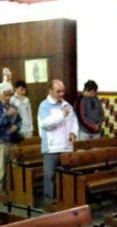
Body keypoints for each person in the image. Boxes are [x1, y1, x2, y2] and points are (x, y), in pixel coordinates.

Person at [37, 79, 78, 209]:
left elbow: (74, 121)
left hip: (66, 146)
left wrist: (73, 133)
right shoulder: (44, 105)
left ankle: (64, 199)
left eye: (63, 91)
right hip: (51, 147)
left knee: (66, 175)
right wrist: (62, 114)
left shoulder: (67, 105)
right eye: (58, 91)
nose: (61, 94)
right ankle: (49, 201)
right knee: (49, 175)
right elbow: (46, 123)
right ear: (50, 91)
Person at [0, 81, 22, 190]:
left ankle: (10, 192)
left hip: (11, 140)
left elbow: (19, 120)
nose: (8, 97)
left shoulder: (13, 106)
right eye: (5, 95)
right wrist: (7, 115)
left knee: (12, 168)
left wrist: (16, 126)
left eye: (10, 95)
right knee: (0, 169)